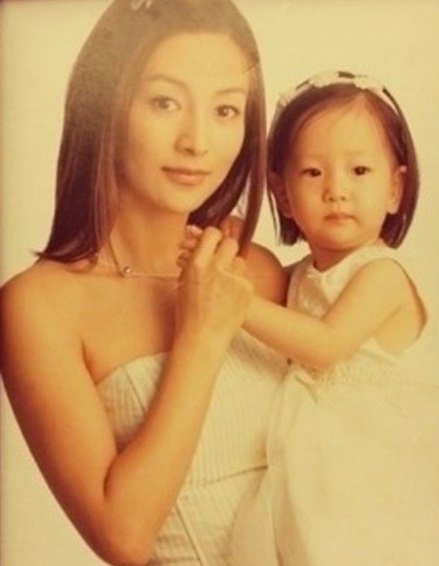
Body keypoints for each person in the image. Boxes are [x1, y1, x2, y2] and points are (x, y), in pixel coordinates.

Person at [0, 0, 288, 564]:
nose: (197, 141)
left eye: (226, 110)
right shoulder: (40, 307)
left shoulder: (256, 271)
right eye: (165, 102)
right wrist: (201, 335)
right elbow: (123, 538)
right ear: (104, 107)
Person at [182, 70, 439, 565]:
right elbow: (260, 297)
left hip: (376, 478)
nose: (336, 190)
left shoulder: (383, 275)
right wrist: (219, 244)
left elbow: (324, 345)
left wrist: (234, 300)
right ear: (282, 194)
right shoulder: (299, 275)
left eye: (359, 171)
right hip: (311, 480)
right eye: (313, 173)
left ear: (395, 188)